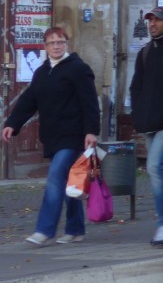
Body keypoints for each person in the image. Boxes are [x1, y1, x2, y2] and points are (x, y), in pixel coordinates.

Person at [1, 26, 99, 246]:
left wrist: (91, 131)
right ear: (45, 47)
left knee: (55, 178)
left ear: (66, 44)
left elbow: (90, 102)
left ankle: (44, 230)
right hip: (53, 137)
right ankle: (75, 230)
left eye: (60, 42)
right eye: (52, 43)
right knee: (68, 184)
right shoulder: (42, 72)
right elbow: (29, 101)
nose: (56, 46)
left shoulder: (78, 69)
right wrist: (12, 124)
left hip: (74, 136)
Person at [130, 5, 163, 247]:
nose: (152, 24)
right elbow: (136, 87)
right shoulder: (144, 52)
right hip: (150, 122)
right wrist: (138, 114)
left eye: (158, 20)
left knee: (154, 167)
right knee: (161, 169)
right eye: (150, 20)